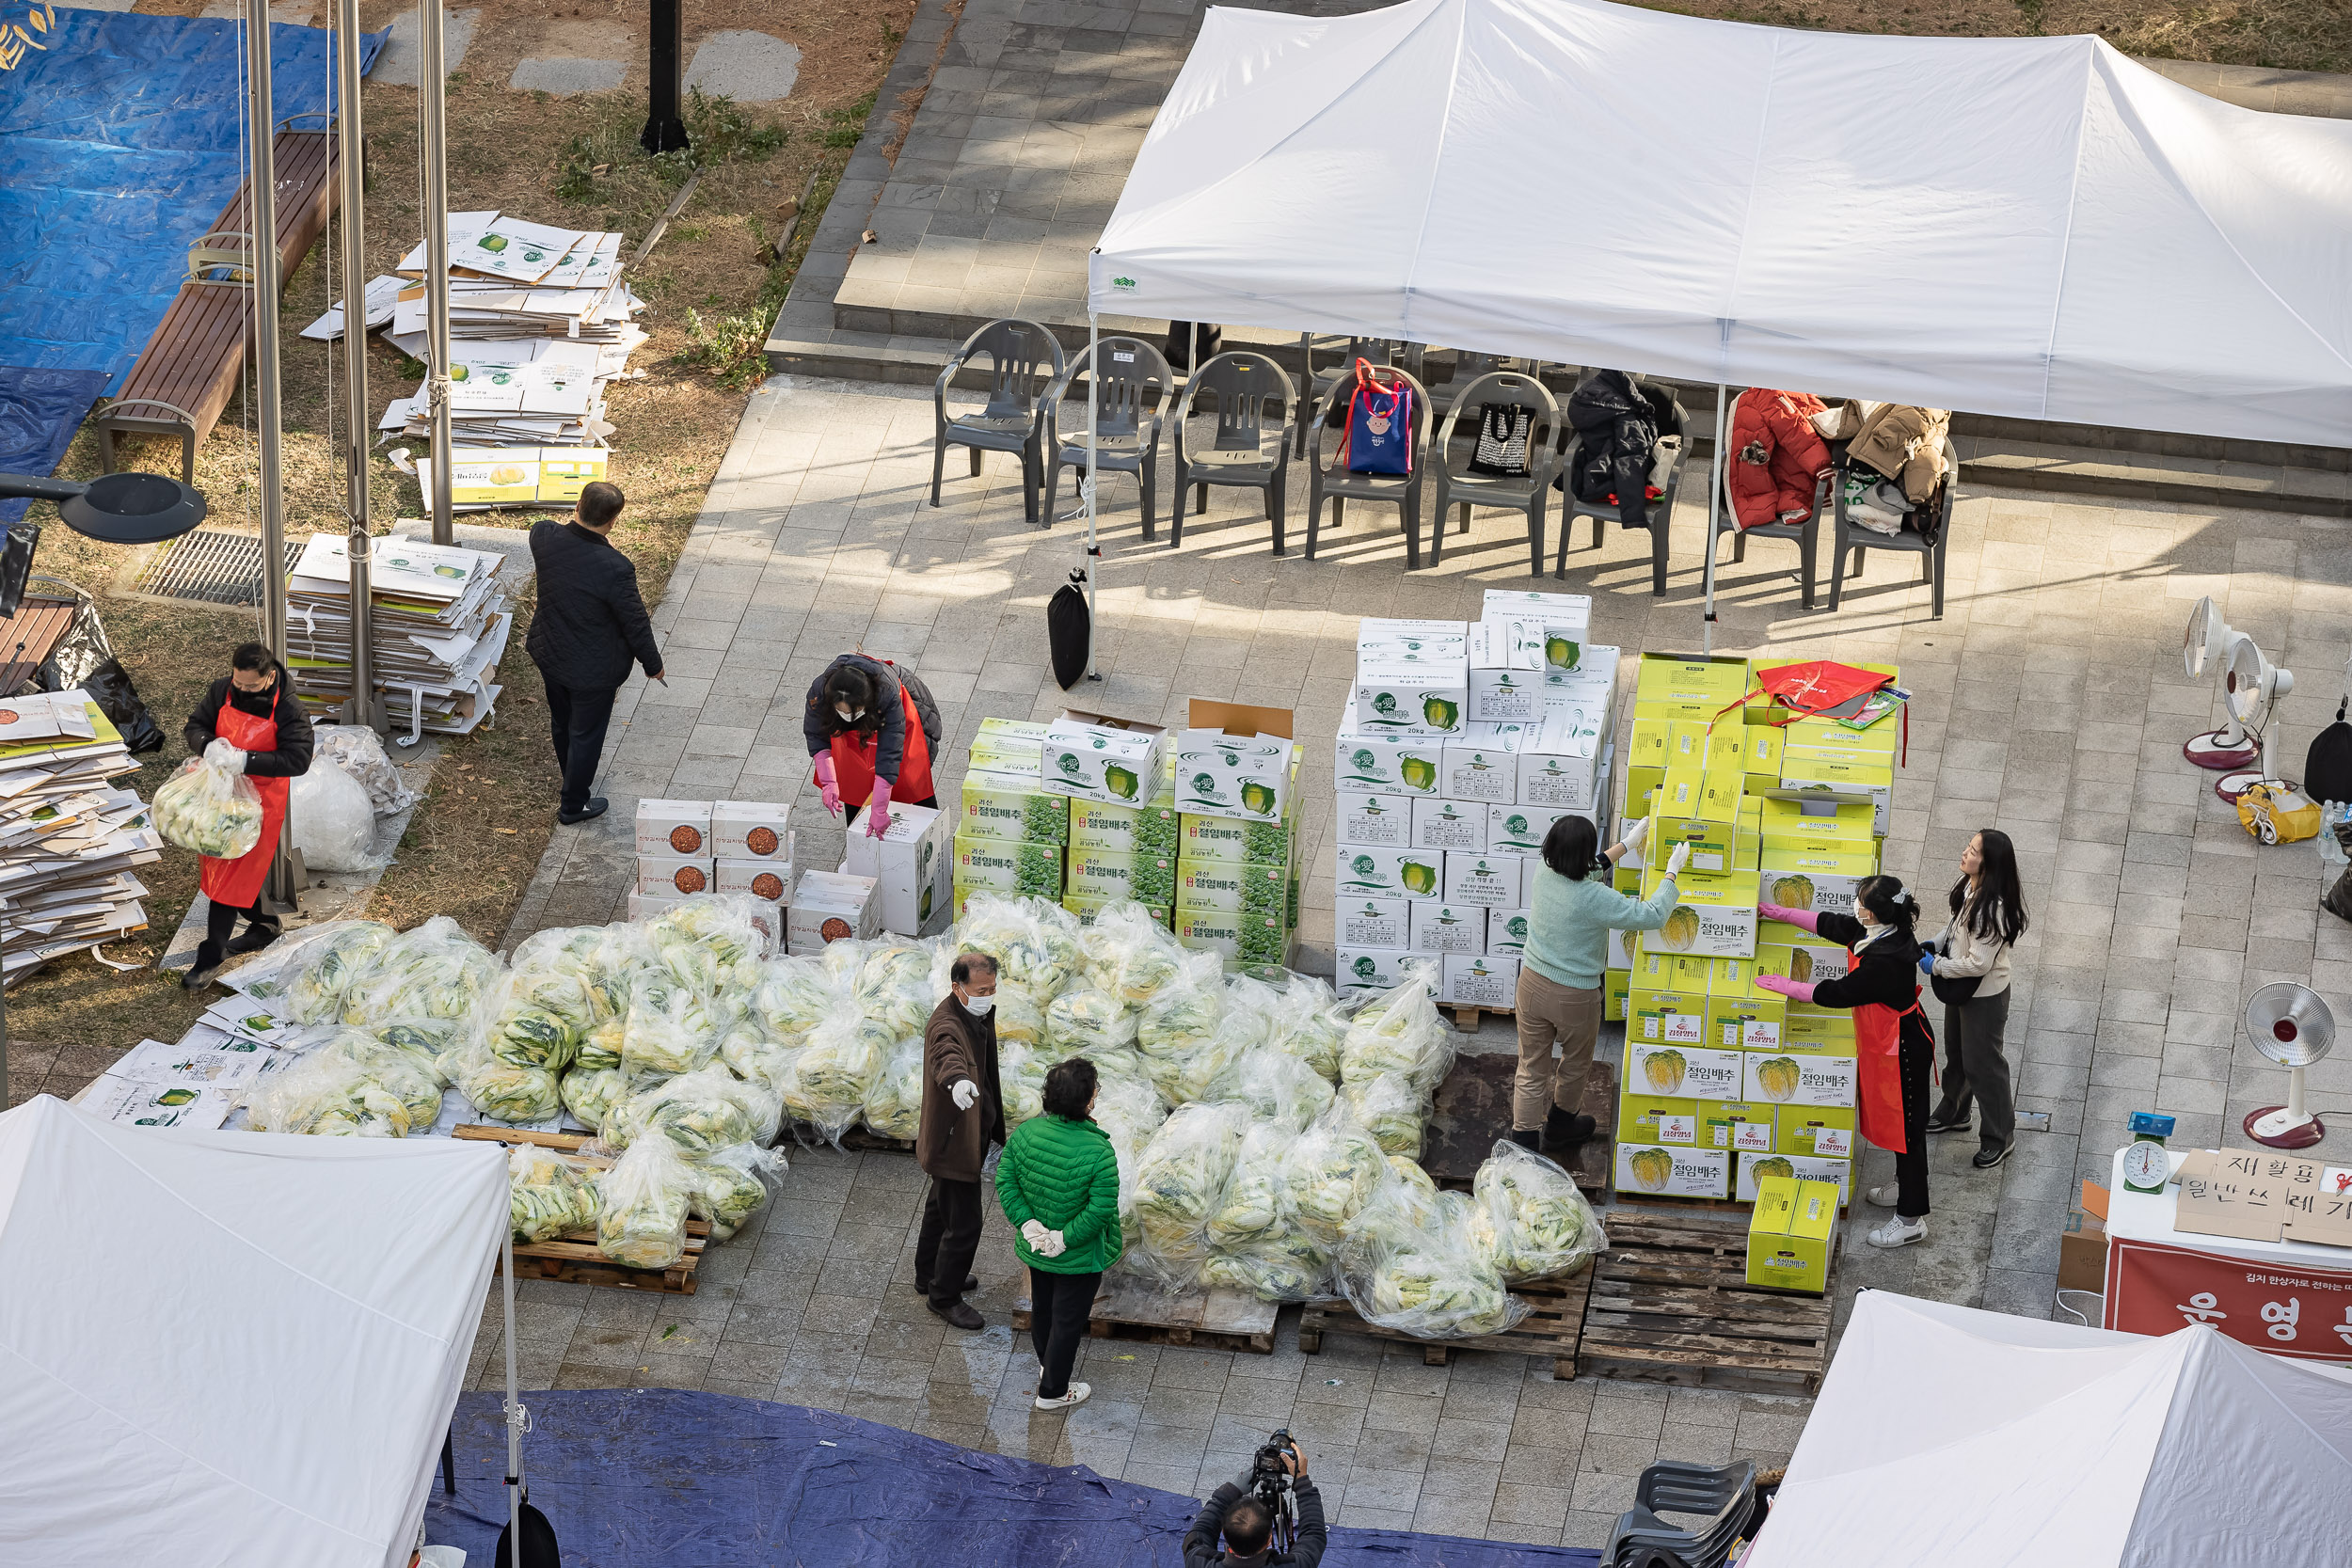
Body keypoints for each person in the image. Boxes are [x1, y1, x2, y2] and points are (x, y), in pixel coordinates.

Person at [1756, 876, 1937, 1249]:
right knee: (1897, 1122)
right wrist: (1783, 913)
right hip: (1889, 1040)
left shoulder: (1884, 962)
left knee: (1907, 1130)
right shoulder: (1883, 930)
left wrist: (1789, 986)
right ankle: (1904, 1188)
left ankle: (1910, 1218)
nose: (1854, 906)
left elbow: (1840, 993)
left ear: (1871, 913)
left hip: (1903, 1047)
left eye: (1860, 901)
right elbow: (1835, 925)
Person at [1513, 816, 1689, 1151]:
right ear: (1583, 853)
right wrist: (1671, 873)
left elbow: (1583, 868)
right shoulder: (1594, 898)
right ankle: (1561, 1125)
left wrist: (1626, 845)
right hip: (1574, 996)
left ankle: (1522, 1142)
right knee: (1575, 1062)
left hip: (1531, 984)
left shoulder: (1543, 871)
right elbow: (1651, 915)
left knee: (1531, 1065)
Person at [523, 481, 663, 826]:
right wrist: (653, 665)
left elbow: (543, 525)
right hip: (593, 670)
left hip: (551, 654)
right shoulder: (615, 567)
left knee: (562, 722)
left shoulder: (544, 538)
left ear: (578, 505)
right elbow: (635, 622)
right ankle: (573, 804)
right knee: (585, 733)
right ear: (614, 520)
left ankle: (569, 774)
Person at [181, 641, 313, 988]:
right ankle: (265, 924)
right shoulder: (222, 689)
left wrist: (246, 761)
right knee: (222, 866)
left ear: (270, 677)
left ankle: (209, 958)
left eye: (250, 686)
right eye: (237, 682)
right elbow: (195, 725)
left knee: (229, 876)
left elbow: (298, 760)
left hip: (259, 805)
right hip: (220, 794)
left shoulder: (289, 709)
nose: (241, 689)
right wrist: (207, 745)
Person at [993, 1056, 1122, 1411]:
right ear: (1087, 1100)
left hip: (1037, 1249)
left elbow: (1006, 1180)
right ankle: (1053, 1392)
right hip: (1077, 1256)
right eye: (1095, 1088)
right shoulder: (1099, 1150)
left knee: (1044, 1309)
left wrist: (1029, 1227)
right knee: (1067, 1321)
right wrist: (1064, 1239)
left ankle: (1045, 1365)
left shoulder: (1025, 1134)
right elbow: (1099, 1209)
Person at [1923, 828, 2029, 1170]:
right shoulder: (1971, 888)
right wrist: (1935, 943)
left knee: (1984, 1066)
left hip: (1983, 995)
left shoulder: (1992, 910)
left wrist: (1936, 965)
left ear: (1989, 863)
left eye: (1973, 850)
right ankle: (1955, 1110)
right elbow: (1956, 927)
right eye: (1968, 847)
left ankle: (2000, 1137)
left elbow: (1979, 963)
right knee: (1957, 1053)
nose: (1965, 853)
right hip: (1963, 988)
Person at [914, 951, 1006, 1329]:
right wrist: (957, 1081)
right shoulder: (948, 1023)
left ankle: (928, 1274)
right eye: (981, 989)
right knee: (965, 1223)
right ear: (958, 987)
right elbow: (945, 1055)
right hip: (954, 1142)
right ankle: (945, 1296)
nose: (988, 994)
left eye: (993, 988)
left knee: (940, 1207)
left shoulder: (974, 1014)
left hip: (961, 1134)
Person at [803, 653, 942, 839]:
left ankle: (936, 836)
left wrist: (879, 809)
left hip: (900, 722)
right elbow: (816, 735)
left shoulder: (887, 695)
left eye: (855, 711)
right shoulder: (819, 694)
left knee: (910, 779)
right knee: (853, 780)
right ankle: (859, 838)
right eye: (842, 711)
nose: (849, 715)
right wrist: (829, 782)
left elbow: (890, 754)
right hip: (854, 731)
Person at [1182, 1437, 1327, 1568]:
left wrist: (1230, 1490)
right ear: (1270, 1539)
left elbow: (1200, 1532)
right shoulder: (1297, 1564)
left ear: (1224, 1533)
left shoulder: (1198, 1561)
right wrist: (1302, 1480)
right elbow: (1314, 1533)